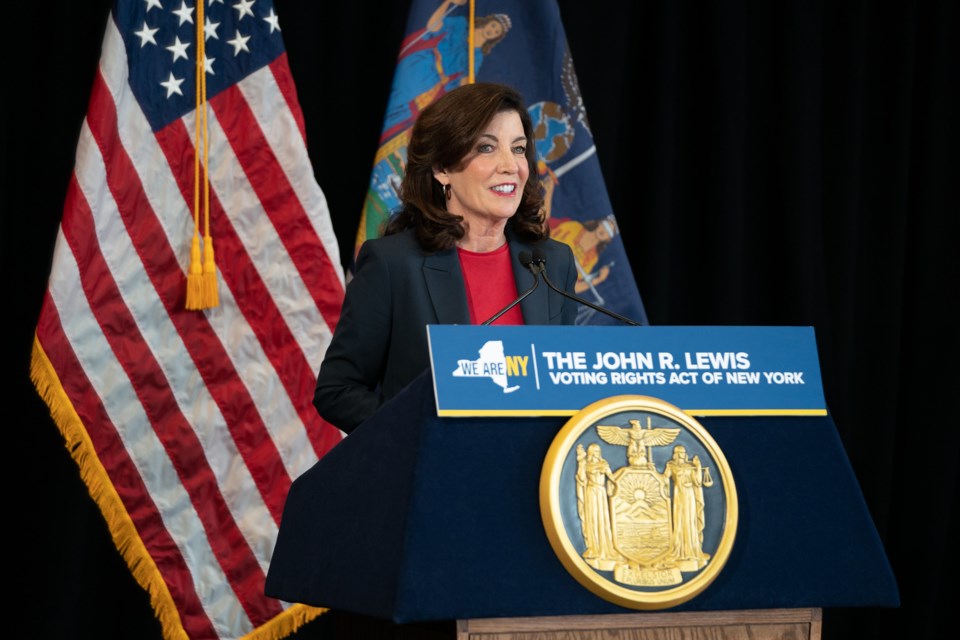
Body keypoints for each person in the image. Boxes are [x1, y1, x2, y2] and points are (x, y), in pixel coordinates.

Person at [314, 82, 579, 433]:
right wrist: (420, 433)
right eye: (486, 148)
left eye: (518, 149)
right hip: (434, 474)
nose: (510, 165)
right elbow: (337, 390)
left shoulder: (552, 263)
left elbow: (563, 386)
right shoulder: (394, 265)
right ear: (442, 168)